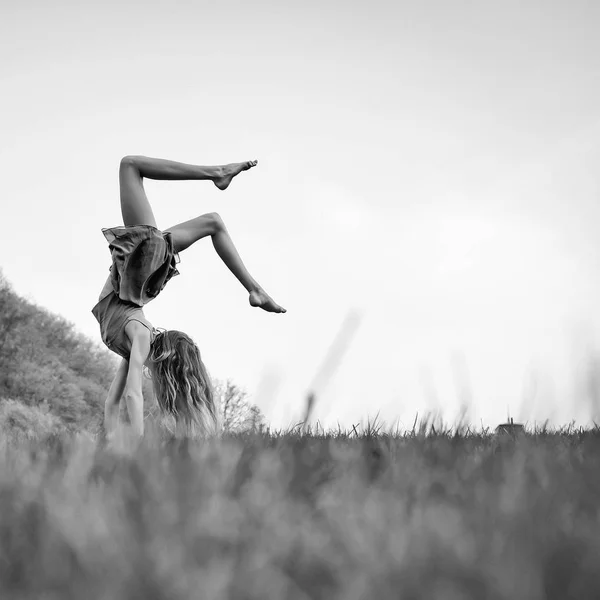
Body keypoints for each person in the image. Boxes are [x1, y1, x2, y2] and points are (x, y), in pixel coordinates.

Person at [92, 155, 286, 439]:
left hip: (138, 276)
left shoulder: (134, 345)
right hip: (138, 274)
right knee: (131, 167)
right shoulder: (141, 338)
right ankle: (254, 288)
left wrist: (111, 443)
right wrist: (138, 444)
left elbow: (114, 401)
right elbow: (132, 395)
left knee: (211, 222)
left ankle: (254, 288)